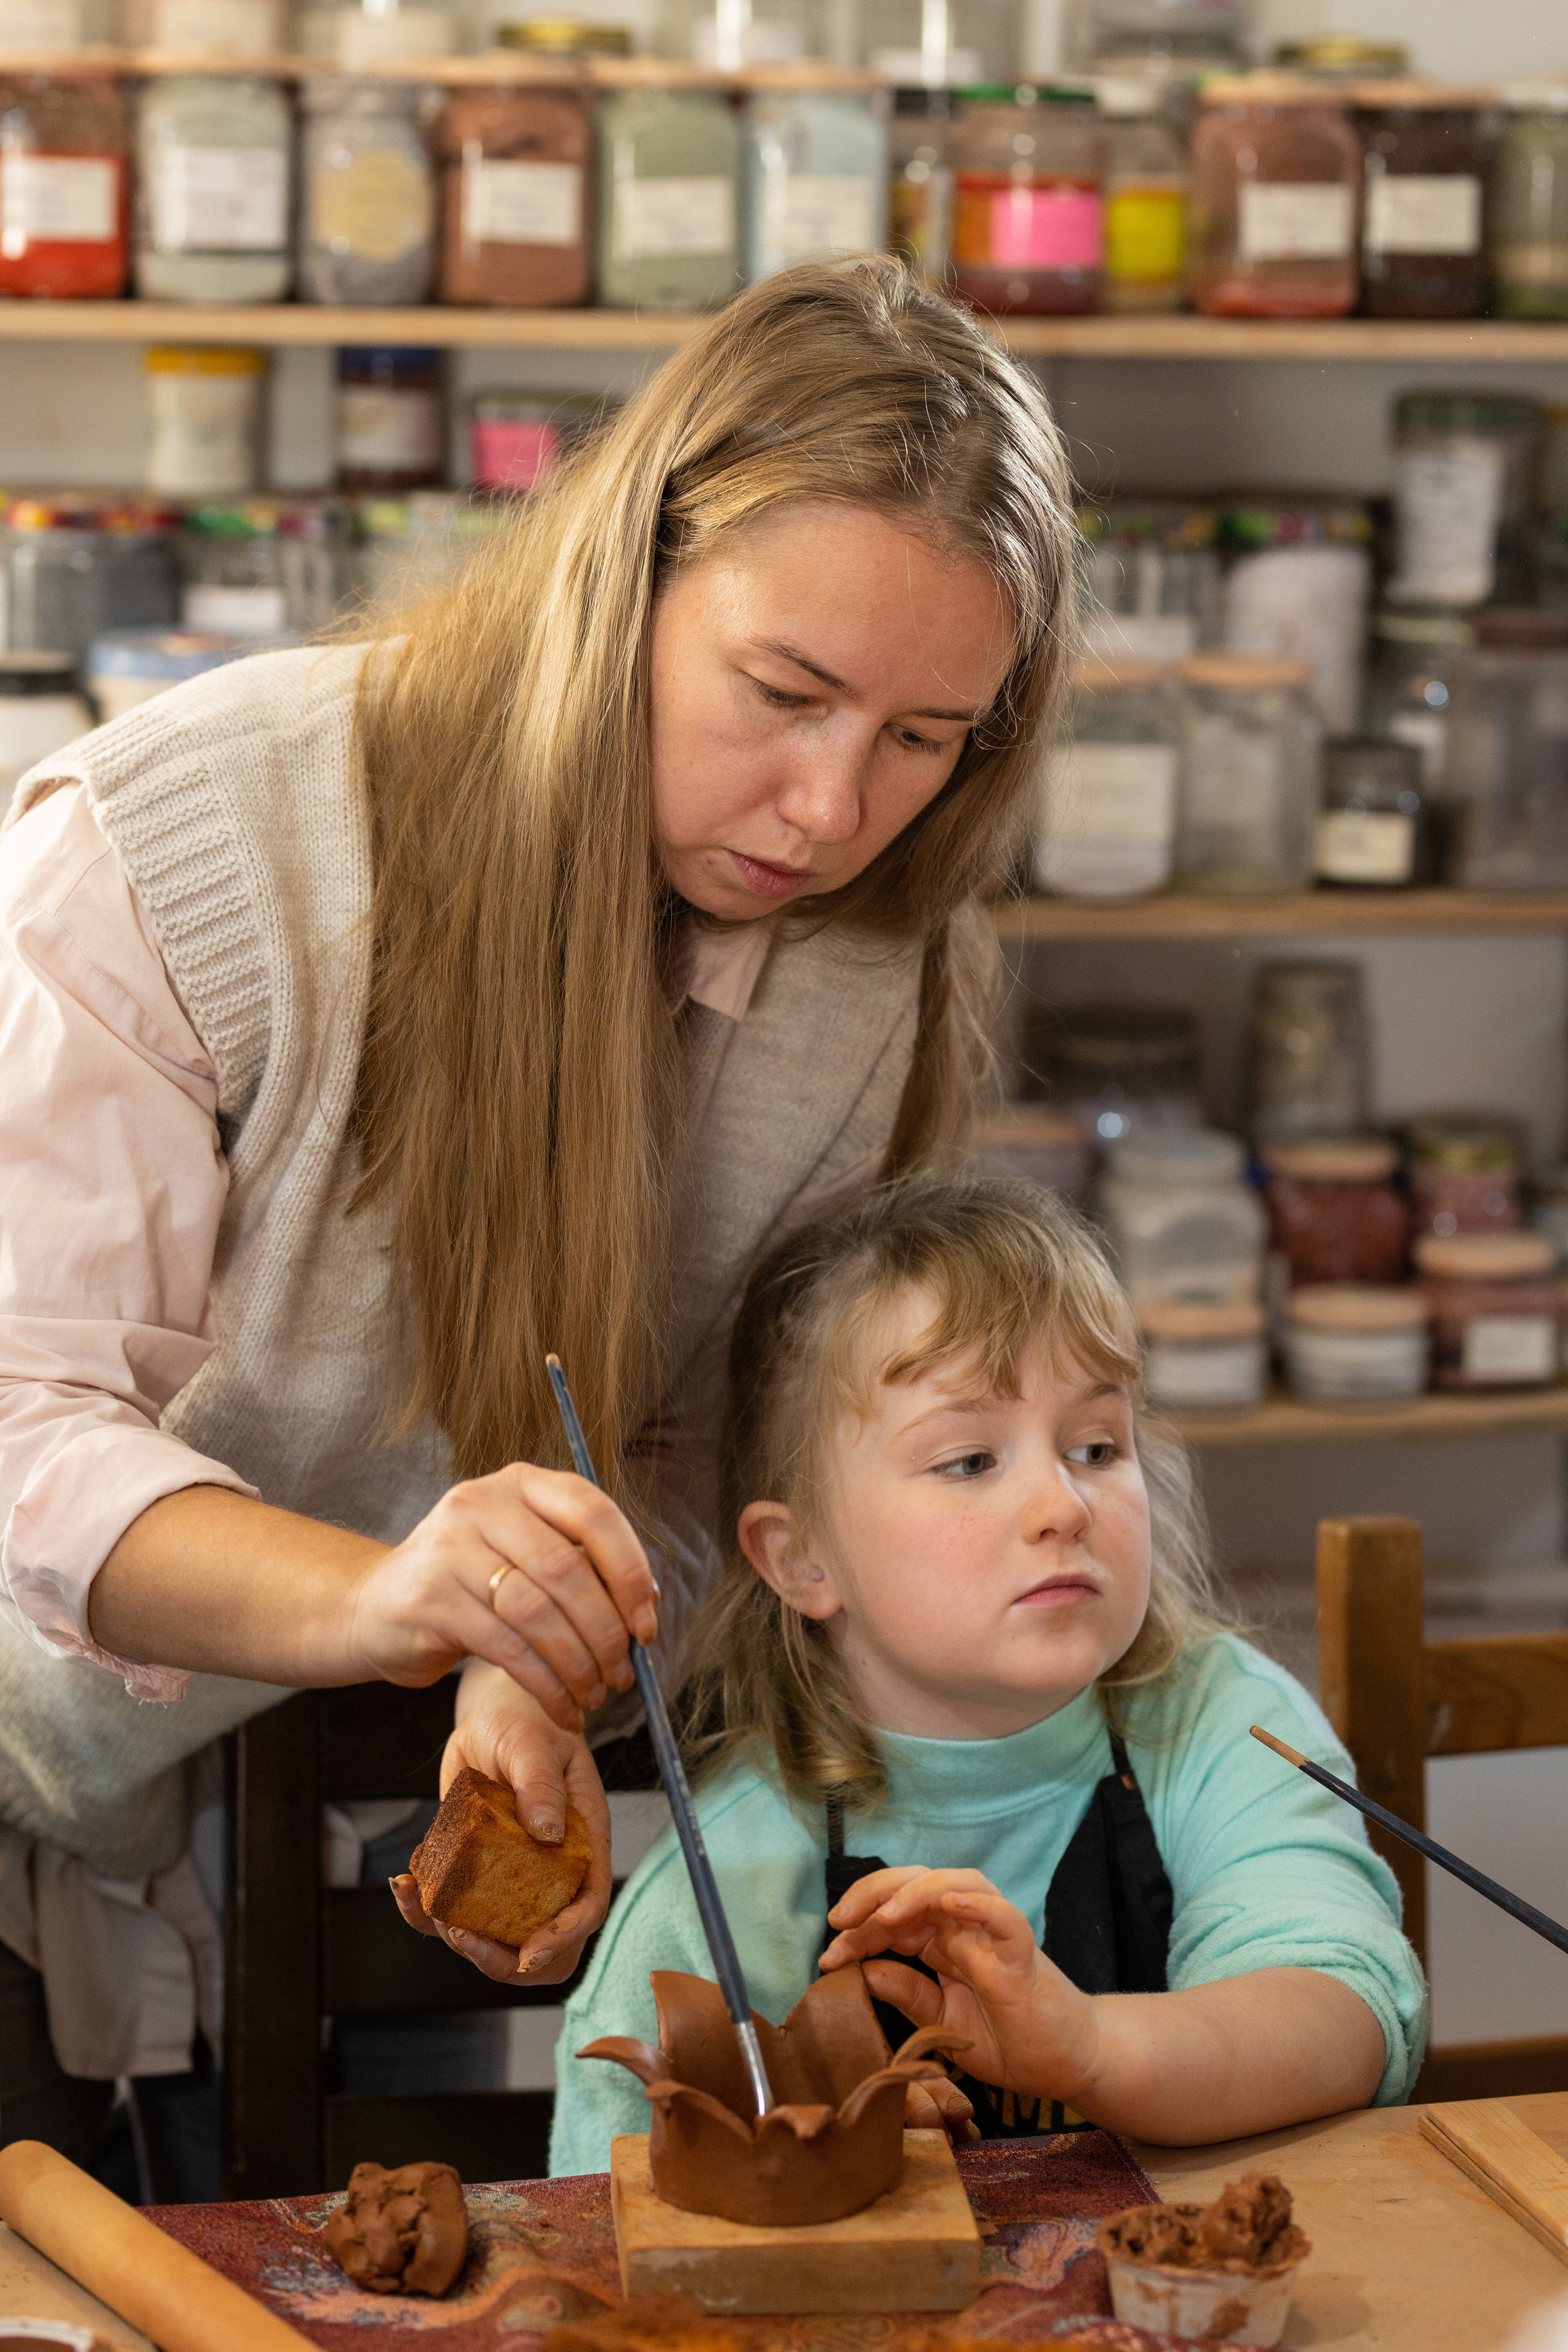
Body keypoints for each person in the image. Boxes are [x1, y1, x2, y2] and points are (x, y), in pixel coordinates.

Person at [0, 258, 1078, 2153]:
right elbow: (19, 1427)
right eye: (785, 690)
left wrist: (527, 1654)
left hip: (373, 1793)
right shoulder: (188, 841)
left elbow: (716, 1434)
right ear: (624, 566)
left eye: (925, 740)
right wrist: (400, 1590)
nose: (832, 809)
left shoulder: (858, 960)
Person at [549, 1176, 1428, 2171]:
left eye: (1097, 1445)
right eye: (969, 1460)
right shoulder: (737, 1863)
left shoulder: (1227, 1726)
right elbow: (610, 2195)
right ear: (803, 1560)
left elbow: (1343, 2015)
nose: (1062, 1504)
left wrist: (1087, 2050)